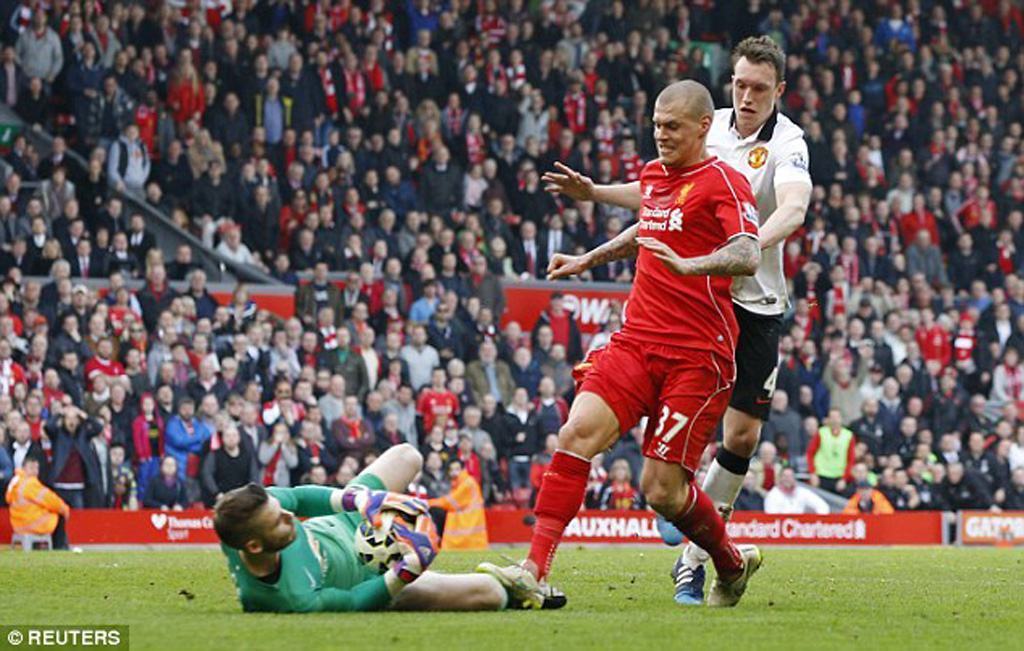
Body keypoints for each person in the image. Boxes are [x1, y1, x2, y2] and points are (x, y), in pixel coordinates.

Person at [544, 36, 812, 605]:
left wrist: (738, 243)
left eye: (760, 89)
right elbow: (659, 200)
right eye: (739, 85)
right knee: (644, 463)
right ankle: (688, 538)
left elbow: (793, 207)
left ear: (779, 91)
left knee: (742, 436)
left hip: (753, 299)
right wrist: (595, 195)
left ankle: (694, 549)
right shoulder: (702, 125)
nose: (747, 97)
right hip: (690, 300)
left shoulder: (788, 143)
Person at [495, 79, 763, 607]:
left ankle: (731, 563)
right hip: (637, 341)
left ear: (703, 126)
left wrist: (691, 265)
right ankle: (533, 569)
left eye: (672, 126)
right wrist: (587, 260)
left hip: (698, 355)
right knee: (576, 433)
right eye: (656, 125)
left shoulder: (724, 183)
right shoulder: (654, 175)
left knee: (661, 490)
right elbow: (644, 231)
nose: (661, 134)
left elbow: (748, 253)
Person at [214, 444, 553, 612]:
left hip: (347, 521)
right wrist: (405, 571)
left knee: (408, 456)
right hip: (367, 578)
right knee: (492, 594)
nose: (290, 517)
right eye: (280, 521)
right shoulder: (292, 597)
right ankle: (513, 583)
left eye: (282, 512)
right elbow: (352, 601)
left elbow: (299, 498)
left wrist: (360, 501)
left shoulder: (242, 515)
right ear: (254, 546)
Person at [5, 456, 70, 546]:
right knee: (58, 515)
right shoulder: (30, 483)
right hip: (32, 524)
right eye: (31, 468)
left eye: (36, 468)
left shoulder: (16, 482)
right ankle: (60, 547)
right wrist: (65, 508)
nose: (35, 471)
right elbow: (51, 500)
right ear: (24, 468)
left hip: (18, 524)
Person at [427, 457, 488, 550]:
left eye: (457, 469)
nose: (454, 472)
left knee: (436, 511)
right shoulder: (459, 483)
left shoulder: (467, 483)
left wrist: (427, 503)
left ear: (463, 469)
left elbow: (449, 502)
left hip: (469, 530)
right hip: (471, 530)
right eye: (451, 470)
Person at [763, 468, 830, 514]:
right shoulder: (773, 495)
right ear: (780, 478)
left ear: (794, 479)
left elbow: (823, 506)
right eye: (785, 476)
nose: (787, 479)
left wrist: (817, 522)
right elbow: (771, 517)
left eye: (790, 476)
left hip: (800, 528)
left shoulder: (802, 492)